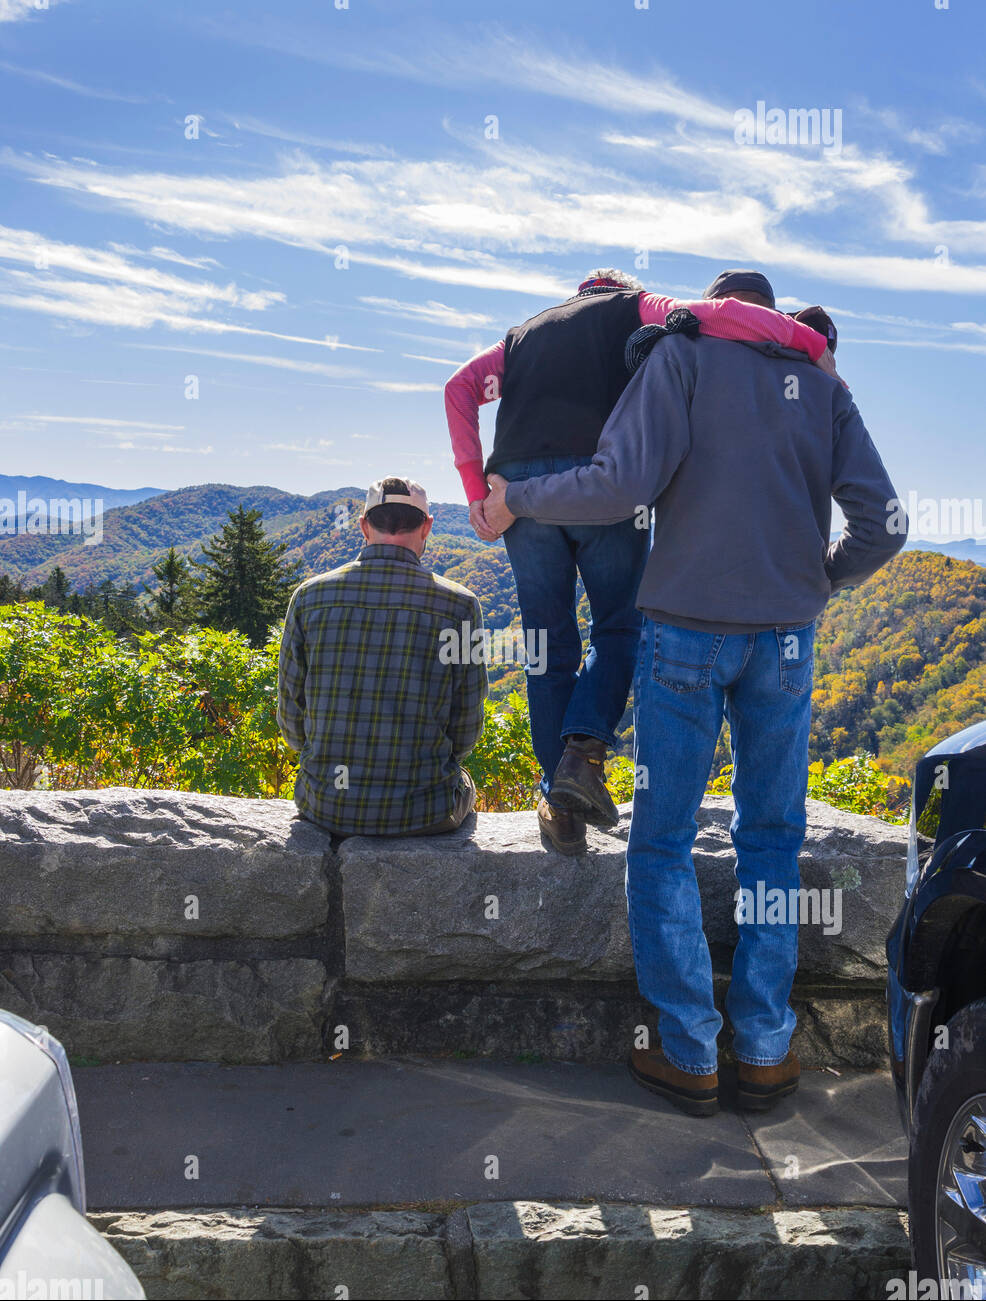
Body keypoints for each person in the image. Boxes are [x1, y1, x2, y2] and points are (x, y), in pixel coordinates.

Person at [484, 275, 906, 1116]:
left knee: (664, 839)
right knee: (774, 838)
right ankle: (765, 1053)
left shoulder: (682, 356)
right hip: (786, 637)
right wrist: (817, 583)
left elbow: (617, 485)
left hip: (684, 629)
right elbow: (885, 524)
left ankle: (689, 1053)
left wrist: (519, 496)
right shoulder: (822, 381)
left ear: (717, 307)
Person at [444, 268, 839, 856]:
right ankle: (581, 755)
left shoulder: (520, 338)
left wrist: (479, 492)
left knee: (545, 645)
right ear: (618, 290)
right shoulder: (637, 307)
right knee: (620, 626)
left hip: (520, 492)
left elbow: (458, 389)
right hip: (601, 485)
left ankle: (560, 801)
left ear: (576, 295)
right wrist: (807, 343)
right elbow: (722, 316)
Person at [278, 477, 487, 838]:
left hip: (324, 805)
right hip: (425, 810)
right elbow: (466, 726)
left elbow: (290, 716)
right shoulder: (460, 606)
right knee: (463, 782)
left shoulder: (309, 597)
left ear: (363, 526)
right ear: (427, 527)